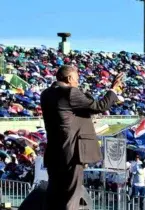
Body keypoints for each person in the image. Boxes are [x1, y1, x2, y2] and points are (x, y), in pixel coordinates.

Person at [41, 65, 124, 210]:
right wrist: (113, 89)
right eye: (77, 79)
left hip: (54, 152)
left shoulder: (46, 94)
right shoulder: (70, 93)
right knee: (71, 195)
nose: (78, 83)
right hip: (72, 151)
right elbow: (99, 106)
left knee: (54, 195)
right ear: (69, 78)